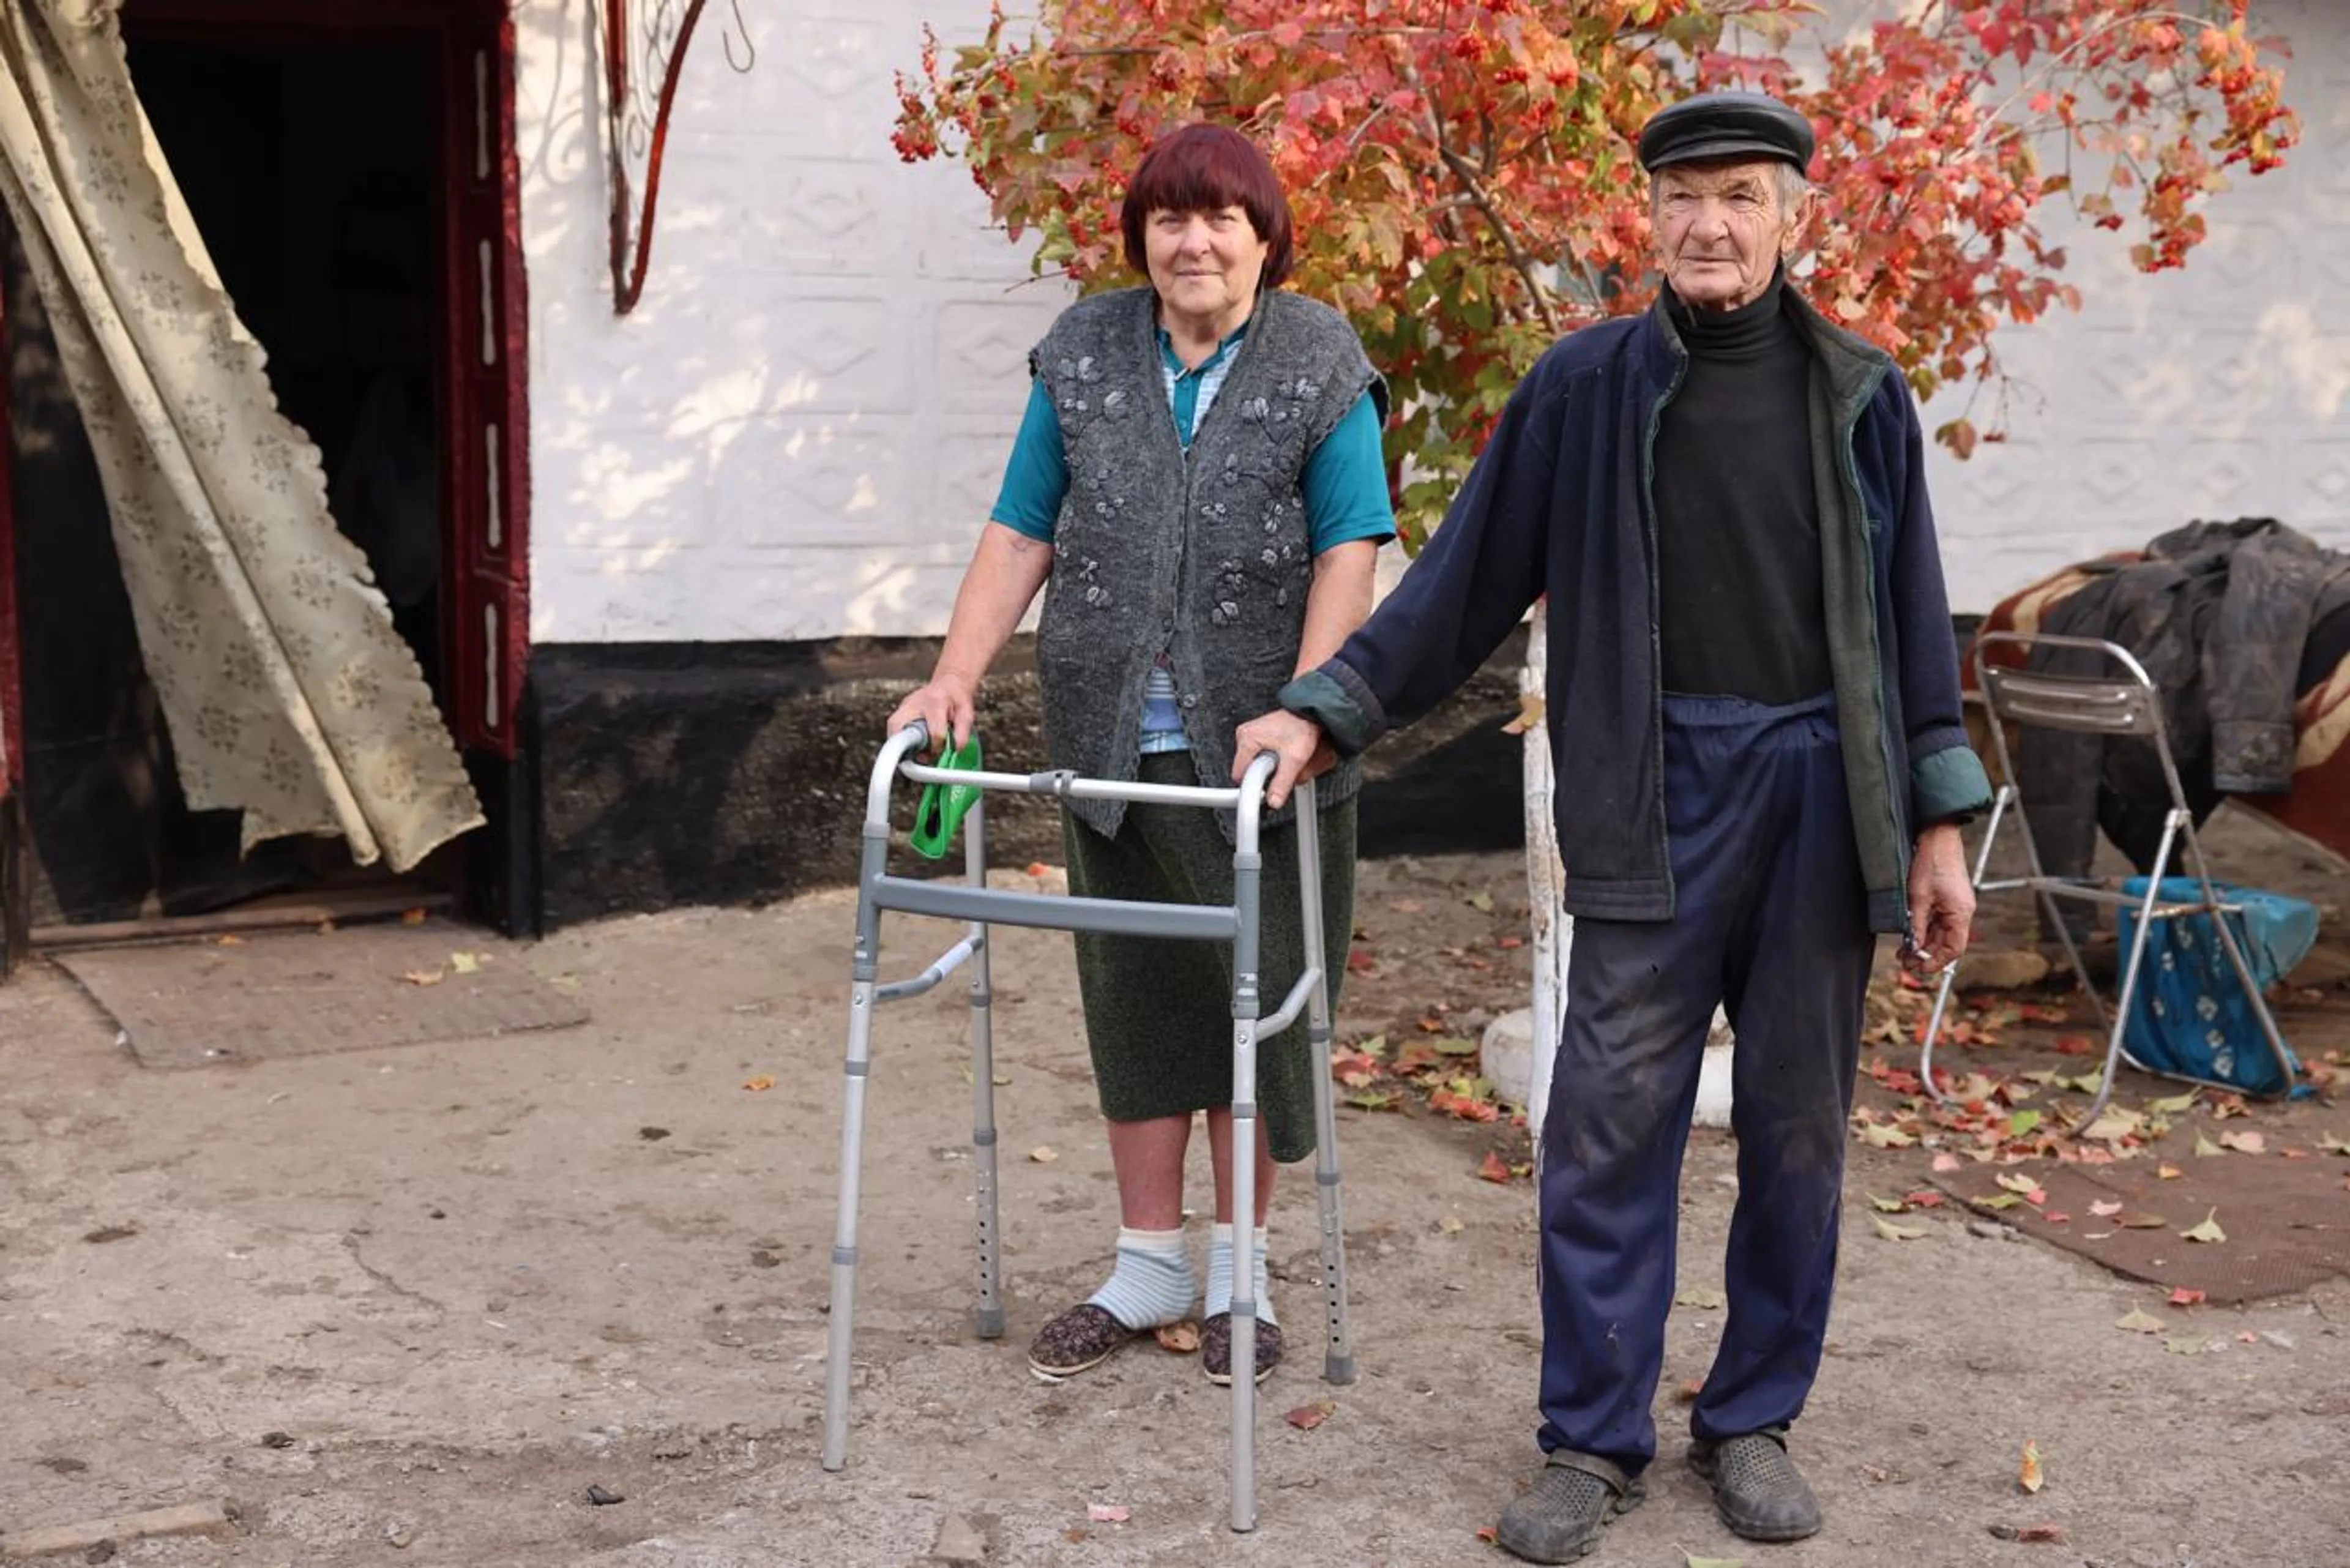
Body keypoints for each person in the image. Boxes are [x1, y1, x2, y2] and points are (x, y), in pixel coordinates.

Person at [1233, 91, 1992, 1559]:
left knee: (1794, 1136)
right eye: (1686, 197)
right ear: (1646, 218)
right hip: (1652, 788)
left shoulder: (1862, 392)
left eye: (1743, 197)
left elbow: (1911, 634)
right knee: (1605, 1126)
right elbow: (1457, 585)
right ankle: (1592, 1441)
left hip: (1819, 794)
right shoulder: (1581, 389)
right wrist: (1327, 705)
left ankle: (1753, 1420)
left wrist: (1937, 826)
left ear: (1793, 218)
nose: (1712, 224)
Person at [887, 122, 1395, 1387]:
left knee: (1257, 1014)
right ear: (1142, 239)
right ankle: (1148, 1264)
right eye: (1170, 219)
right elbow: (1019, 532)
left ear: (1266, 238)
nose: (1194, 240)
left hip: (1262, 756)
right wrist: (953, 677)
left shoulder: (1318, 356)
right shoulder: (1087, 352)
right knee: (1135, 1001)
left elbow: (1352, 547)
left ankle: (1241, 1278)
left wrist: (1317, 710)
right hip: (1112, 739)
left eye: (1222, 217)